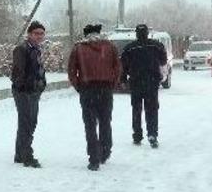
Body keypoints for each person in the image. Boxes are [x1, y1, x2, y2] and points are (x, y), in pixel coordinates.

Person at [68, 24, 121, 171]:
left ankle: (94, 158)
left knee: (90, 125)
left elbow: (72, 70)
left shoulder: (78, 48)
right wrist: (112, 84)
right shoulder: (110, 47)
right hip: (105, 89)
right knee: (105, 121)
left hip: (87, 89)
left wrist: (79, 87)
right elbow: (117, 67)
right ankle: (105, 151)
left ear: (86, 35)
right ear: (99, 33)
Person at [120, 24, 168, 148]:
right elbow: (163, 61)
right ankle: (152, 134)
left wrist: (123, 80)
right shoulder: (156, 46)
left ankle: (137, 135)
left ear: (136, 34)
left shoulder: (129, 48)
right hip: (152, 83)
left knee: (136, 110)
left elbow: (123, 66)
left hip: (135, 82)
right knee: (152, 109)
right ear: (147, 33)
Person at [10, 21, 47, 168]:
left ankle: (20, 154)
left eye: (41, 33)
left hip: (33, 92)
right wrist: (24, 87)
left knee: (29, 122)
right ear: (29, 34)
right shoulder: (21, 49)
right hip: (24, 92)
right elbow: (19, 72)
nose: (39, 36)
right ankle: (27, 156)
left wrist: (42, 84)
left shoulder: (36, 49)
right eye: (36, 33)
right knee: (27, 123)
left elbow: (38, 70)